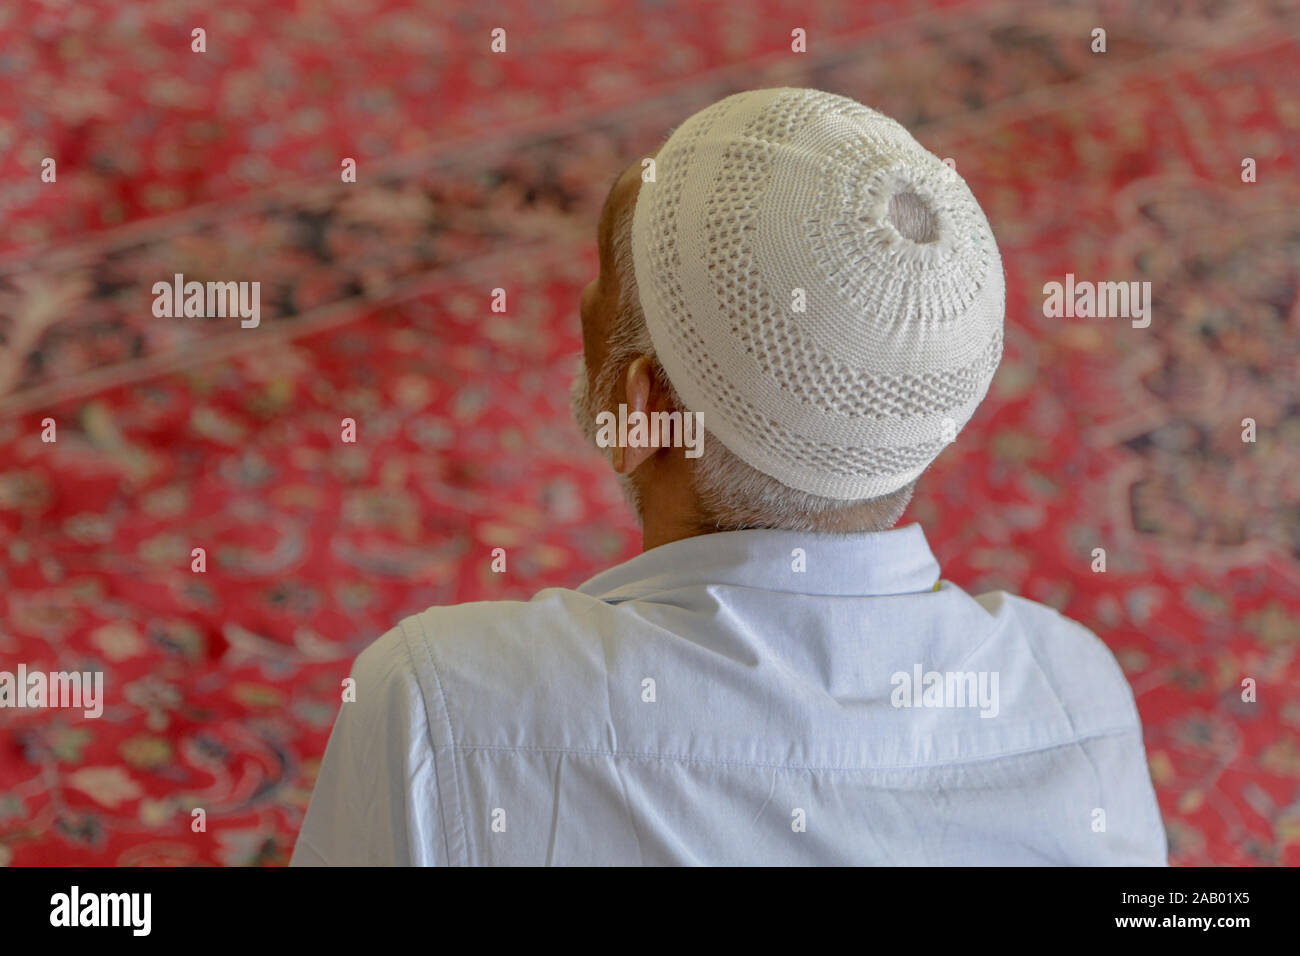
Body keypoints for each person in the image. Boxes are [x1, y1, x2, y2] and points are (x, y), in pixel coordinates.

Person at [291, 88, 1167, 866]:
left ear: (639, 406)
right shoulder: (1076, 702)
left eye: (601, 281)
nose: (583, 307)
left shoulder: (441, 708)